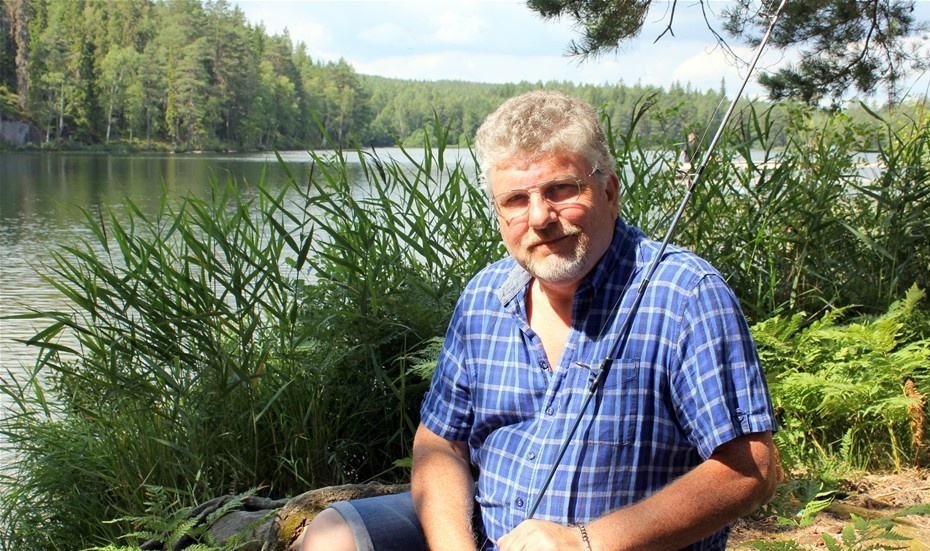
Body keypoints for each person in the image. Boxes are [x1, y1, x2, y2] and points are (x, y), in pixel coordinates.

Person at [300, 90, 777, 551]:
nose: (540, 217)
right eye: (515, 201)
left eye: (560, 190)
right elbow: (440, 441)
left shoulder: (684, 293)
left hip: (618, 546)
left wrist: (591, 542)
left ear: (609, 191)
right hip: (487, 535)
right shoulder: (485, 296)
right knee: (331, 535)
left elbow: (751, 469)